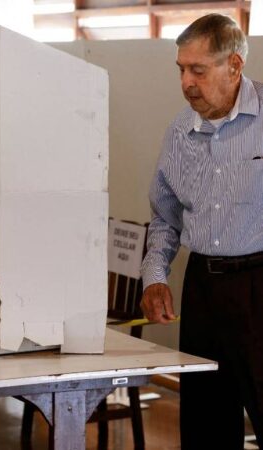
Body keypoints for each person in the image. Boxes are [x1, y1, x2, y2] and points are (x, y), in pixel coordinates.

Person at [140, 13, 263, 450]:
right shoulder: (179, 132)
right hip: (203, 293)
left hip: (258, 287)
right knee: (205, 428)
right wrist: (155, 277)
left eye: (198, 70)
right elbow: (165, 216)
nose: (187, 83)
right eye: (181, 70)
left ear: (234, 65)